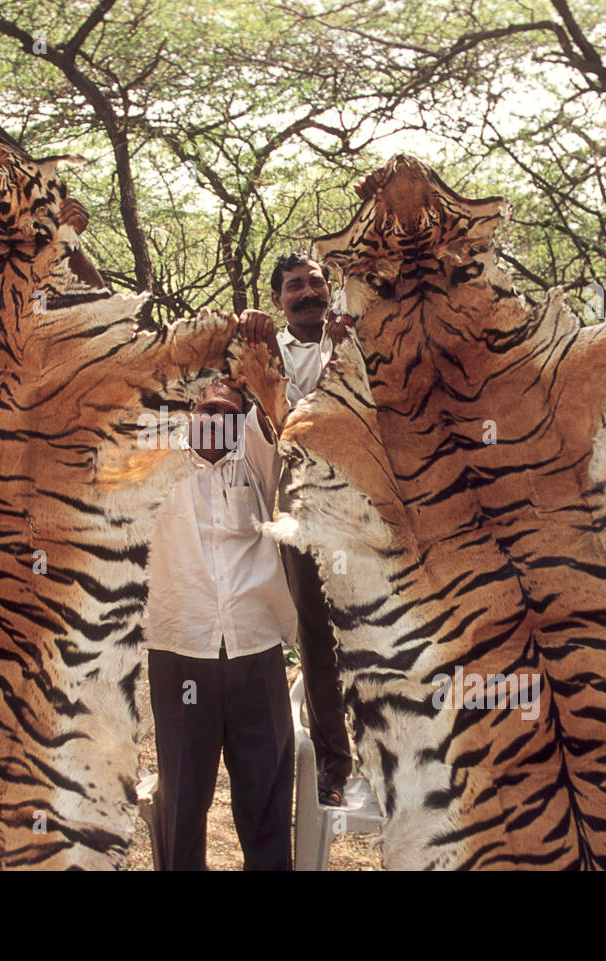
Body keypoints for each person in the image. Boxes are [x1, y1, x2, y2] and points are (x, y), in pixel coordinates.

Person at [145, 379, 296, 870]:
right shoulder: (156, 459)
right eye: (207, 408)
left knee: (266, 804)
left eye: (231, 412)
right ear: (188, 412)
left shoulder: (255, 460)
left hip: (256, 652)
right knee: (182, 804)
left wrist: (260, 342)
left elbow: (275, 400)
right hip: (180, 653)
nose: (218, 419)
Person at [235, 253, 358, 806]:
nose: (307, 293)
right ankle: (334, 761)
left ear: (329, 287)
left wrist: (353, 345)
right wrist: (245, 331)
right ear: (280, 299)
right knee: (316, 633)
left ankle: (393, 749)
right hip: (301, 505)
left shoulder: (359, 334)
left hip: (367, 503)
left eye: (314, 282)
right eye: (293, 287)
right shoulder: (268, 351)